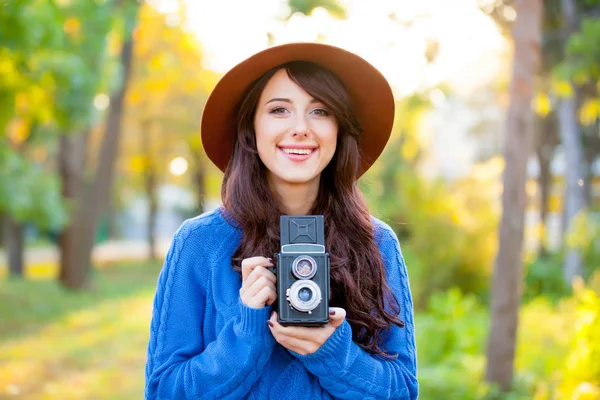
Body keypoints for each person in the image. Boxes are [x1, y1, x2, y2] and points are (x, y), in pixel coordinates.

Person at [144, 42, 418, 400]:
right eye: (279, 110)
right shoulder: (200, 242)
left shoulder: (376, 242)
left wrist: (333, 352)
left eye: (320, 111)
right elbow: (165, 390)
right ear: (251, 129)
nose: (301, 128)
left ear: (339, 129)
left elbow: (403, 389)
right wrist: (246, 334)